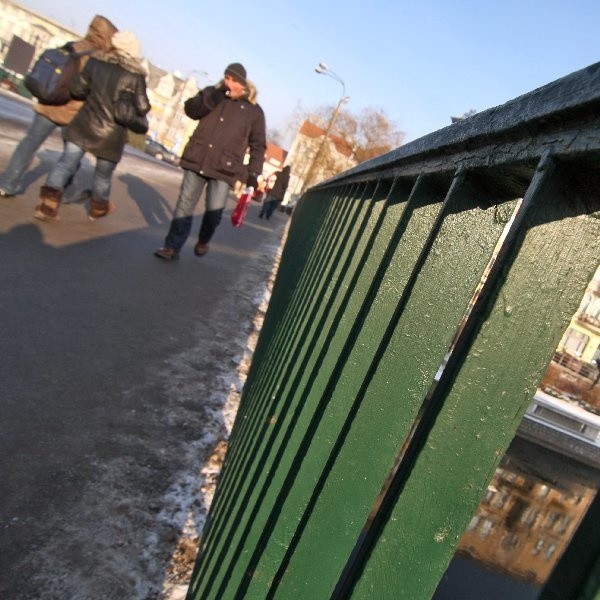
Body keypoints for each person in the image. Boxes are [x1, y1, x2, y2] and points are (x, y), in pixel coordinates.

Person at [34, 30, 150, 222]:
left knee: (65, 164)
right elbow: (143, 107)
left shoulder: (96, 63)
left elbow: (77, 89)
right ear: (132, 51)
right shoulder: (135, 76)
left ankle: (47, 206)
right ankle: (98, 208)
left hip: (84, 124)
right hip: (111, 135)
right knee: (102, 176)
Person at [154, 62, 266, 260]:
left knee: (214, 212)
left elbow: (258, 145)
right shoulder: (211, 94)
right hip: (197, 158)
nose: (228, 83)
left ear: (243, 85)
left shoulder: (253, 111)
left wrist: (253, 175)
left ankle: (204, 239)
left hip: (225, 168)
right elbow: (191, 110)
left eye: (233, 80)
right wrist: (214, 96)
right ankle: (172, 247)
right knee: (184, 204)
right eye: (227, 78)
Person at [0, 15, 117, 198]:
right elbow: (88, 89)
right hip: (72, 112)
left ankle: (7, 184)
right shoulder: (97, 59)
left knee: (29, 143)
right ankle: (58, 194)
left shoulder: (72, 46)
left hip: (48, 102)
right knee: (71, 157)